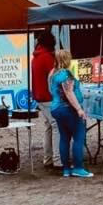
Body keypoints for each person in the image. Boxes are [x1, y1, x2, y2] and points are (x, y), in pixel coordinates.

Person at [48, 49, 93, 178]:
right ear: (67, 59)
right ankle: (78, 167)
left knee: (64, 137)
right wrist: (79, 109)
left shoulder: (52, 73)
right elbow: (69, 92)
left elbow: (51, 90)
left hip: (56, 108)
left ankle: (66, 169)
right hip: (67, 108)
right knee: (79, 137)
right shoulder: (65, 74)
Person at [32, 31, 59, 168]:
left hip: (39, 97)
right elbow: (55, 78)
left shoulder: (36, 57)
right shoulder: (47, 57)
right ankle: (58, 160)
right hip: (48, 97)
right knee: (56, 126)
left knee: (49, 127)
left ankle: (48, 159)